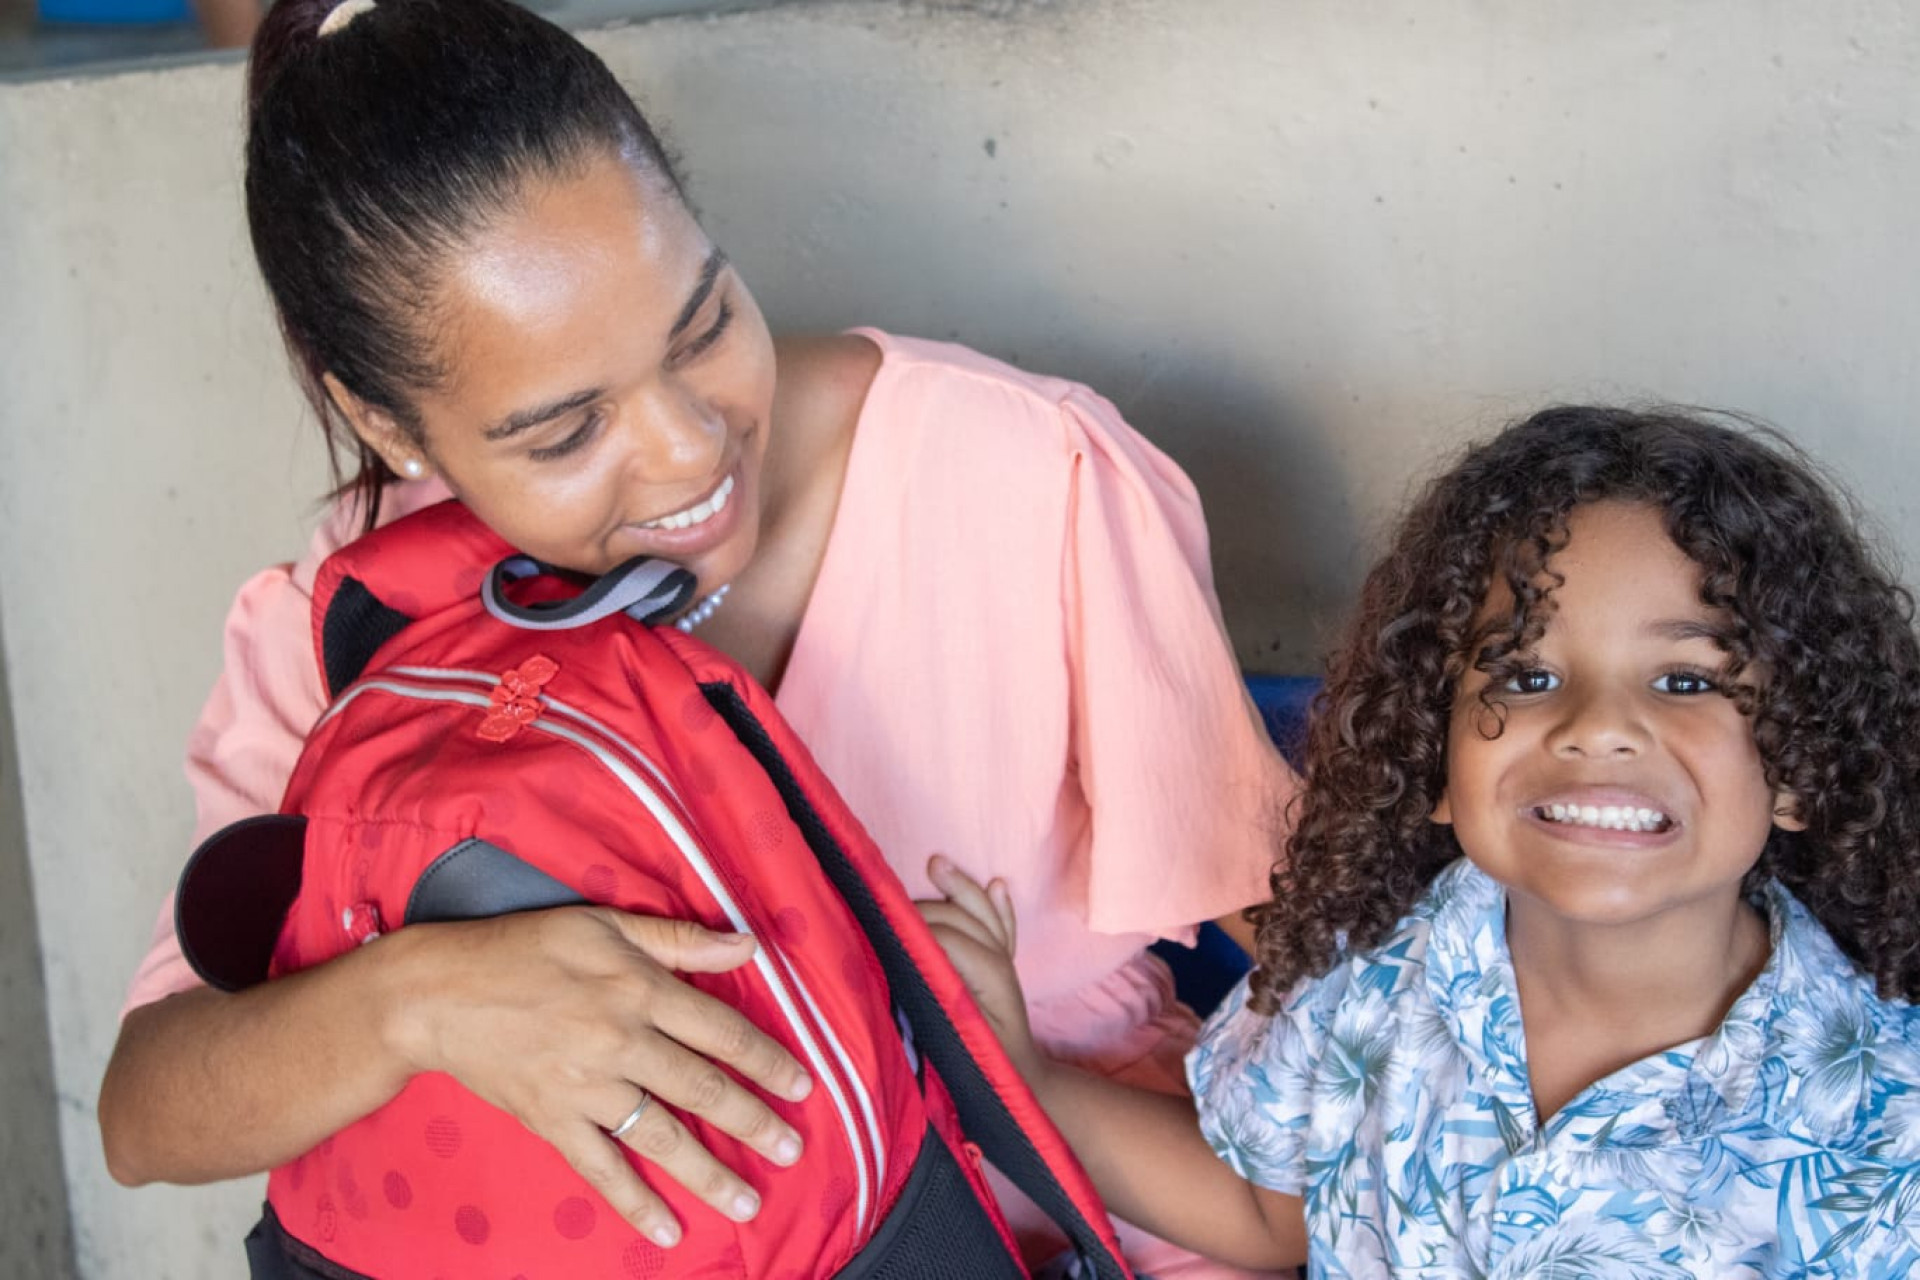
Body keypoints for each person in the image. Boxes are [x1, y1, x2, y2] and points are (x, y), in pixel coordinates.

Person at [95, 0, 1295, 1274]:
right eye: (565, 432)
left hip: (1090, 1220)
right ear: (388, 422)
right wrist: (420, 1001)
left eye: (706, 323)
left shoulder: (1023, 473)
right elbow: (146, 1110)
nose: (689, 449)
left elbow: (1335, 968)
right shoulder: (352, 637)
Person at [923, 406, 1920, 1276]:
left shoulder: (1885, 1120)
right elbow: (1268, 1214)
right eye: (1526, 677)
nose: (1596, 725)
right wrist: (1021, 1067)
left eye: (1686, 680)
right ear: (1434, 754)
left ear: (1798, 766)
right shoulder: (1369, 968)